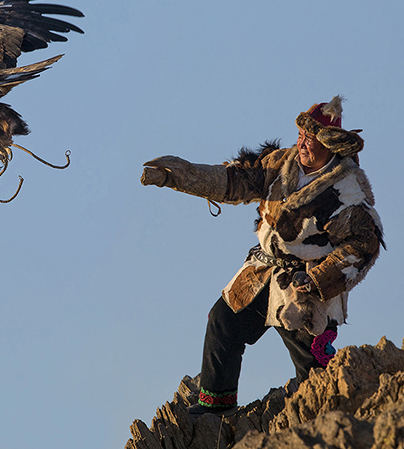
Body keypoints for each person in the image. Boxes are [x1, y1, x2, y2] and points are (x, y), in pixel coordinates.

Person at [140, 95, 384, 418]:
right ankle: (215, 408)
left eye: (311, 140)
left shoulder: (348, 190)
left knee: (315, 372)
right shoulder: (281, 163)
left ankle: (337, 417)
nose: (302, 145)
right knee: (223, 322)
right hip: (262, 272)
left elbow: (363, 245)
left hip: (304, 288)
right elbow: (233, 180)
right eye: (301, 136)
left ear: (331, 146)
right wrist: (179, 176)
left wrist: (316, 281)